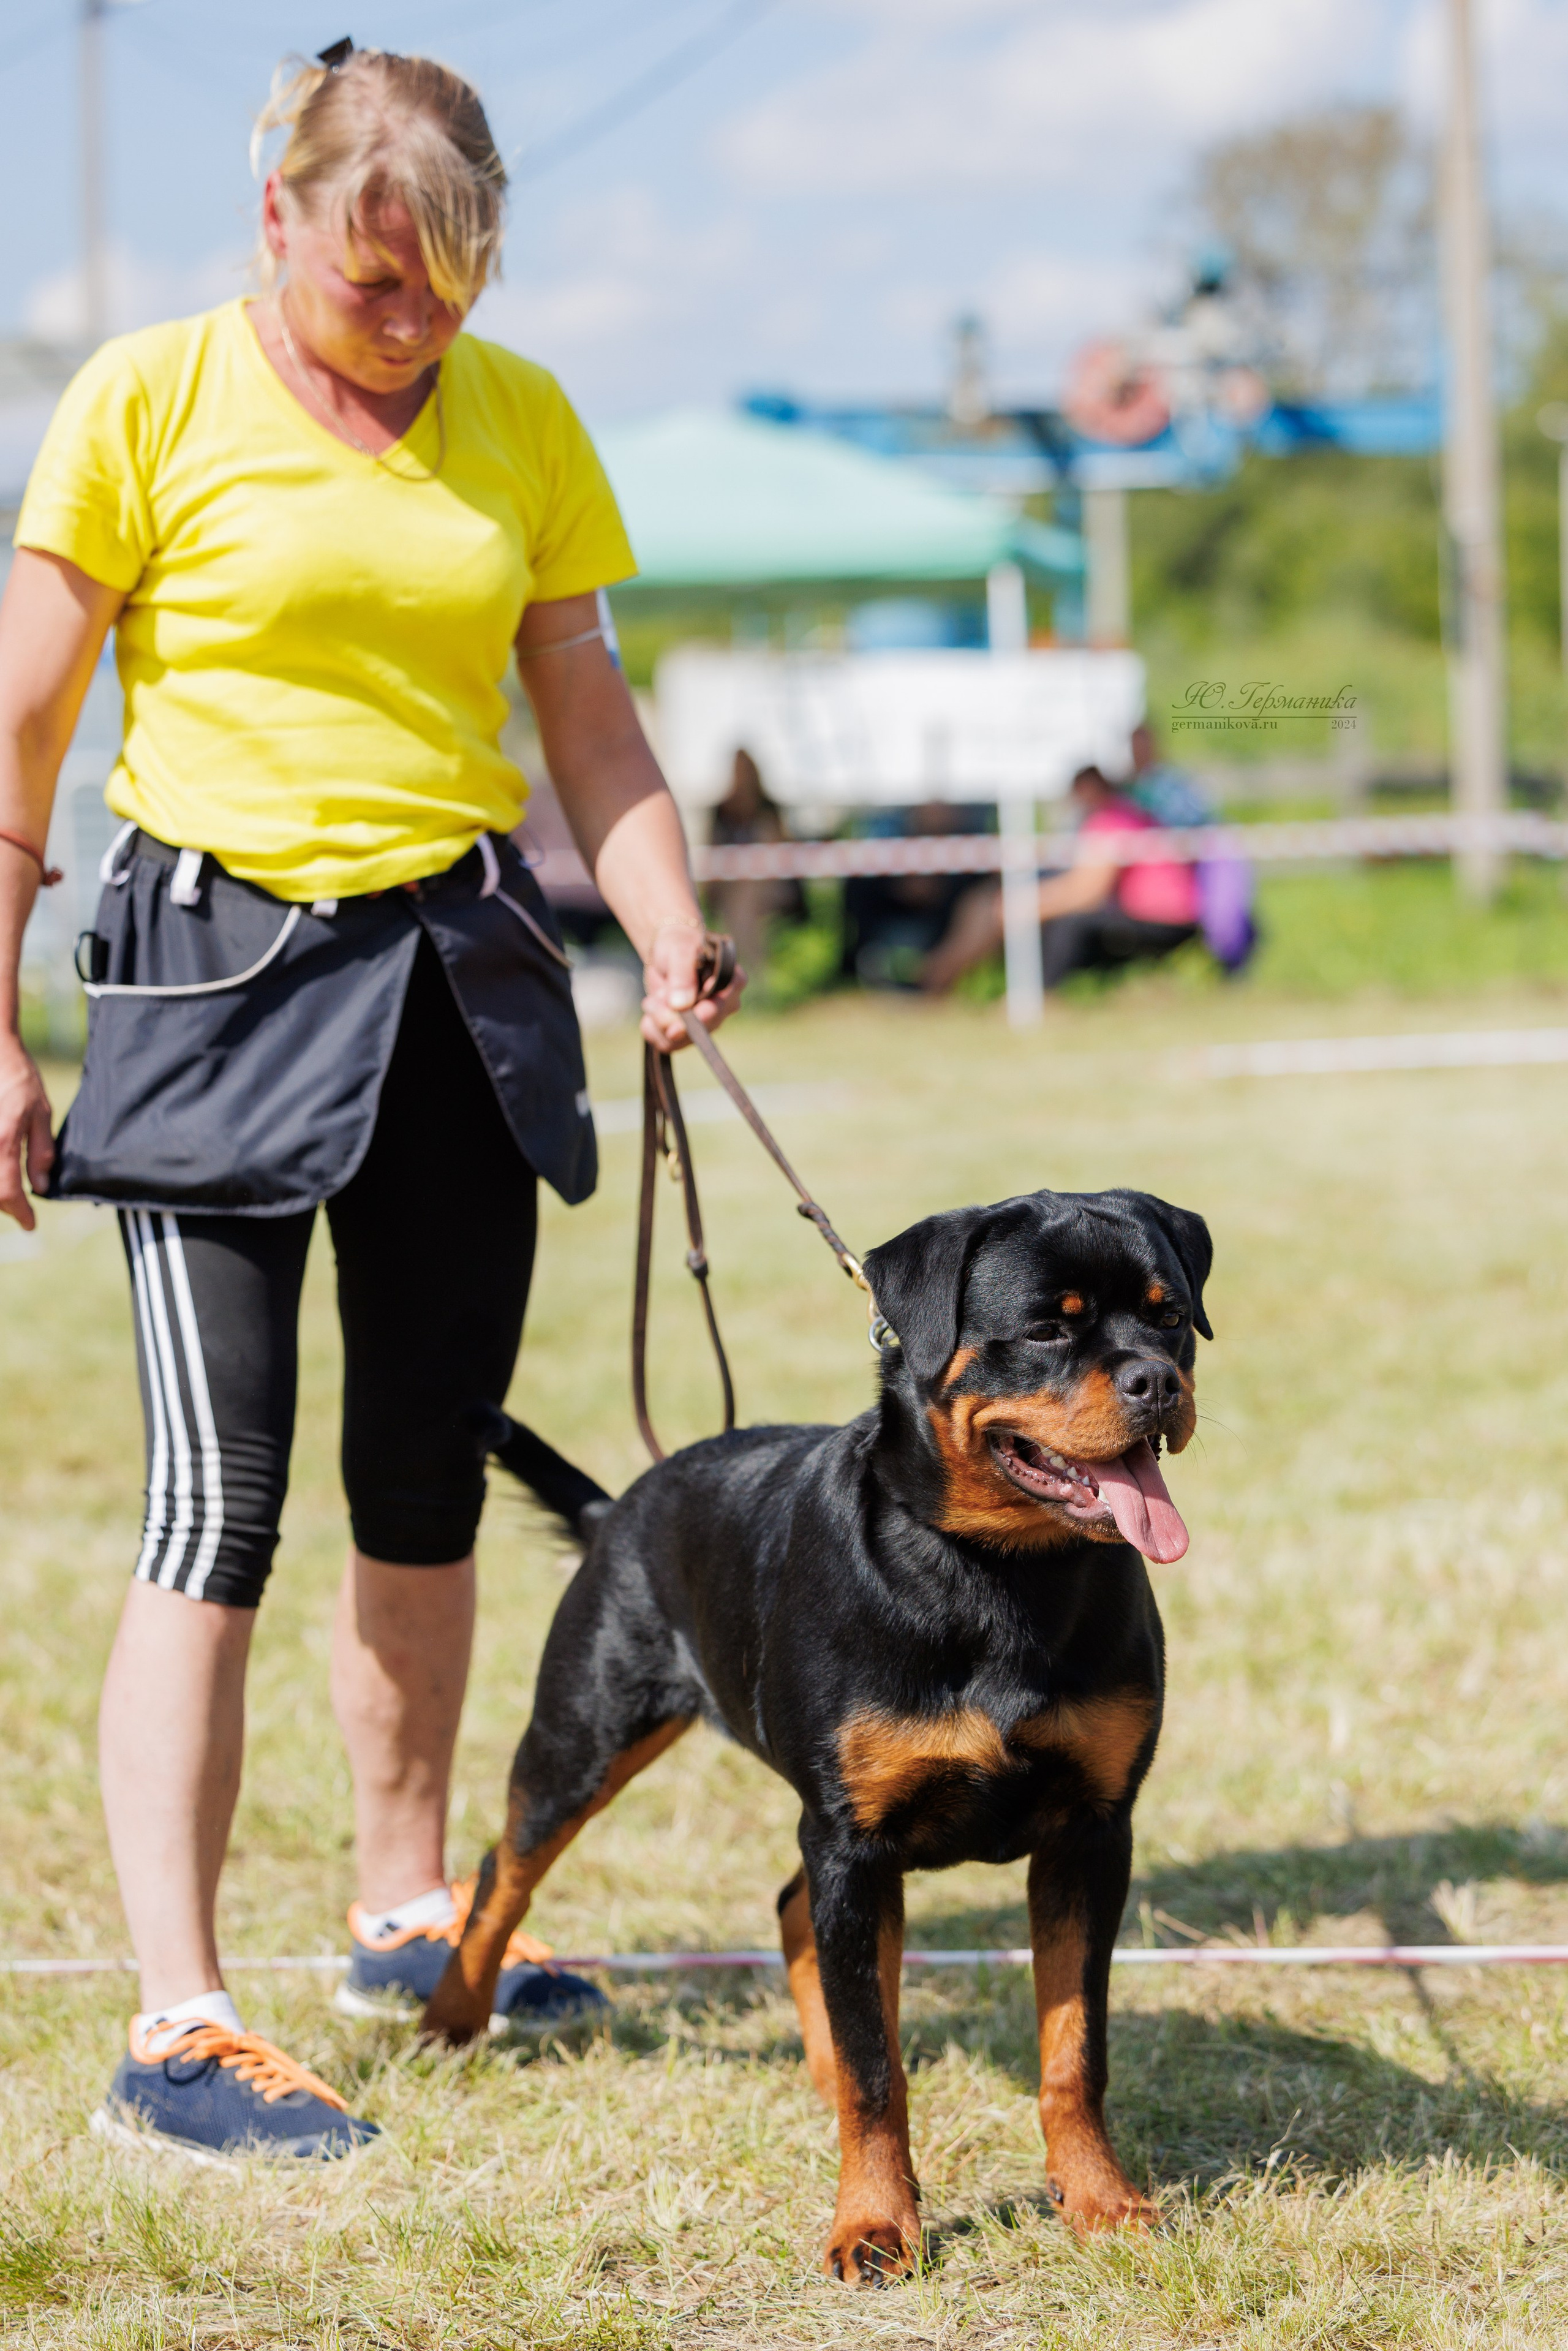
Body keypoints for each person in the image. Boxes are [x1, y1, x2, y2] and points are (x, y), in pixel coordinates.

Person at [0, 43, 741, 2164]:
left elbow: (582, 706)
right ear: (276, 220)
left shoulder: (522, 416)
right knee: (209, 1504)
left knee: (424, 1480)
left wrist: (666, 914)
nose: (412, 327)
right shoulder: (143, 397)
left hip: (455, 987)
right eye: (371, 281)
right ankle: (177, 2017)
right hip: (210, 986)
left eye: (449, 287)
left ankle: (408, 1914)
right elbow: (22, 733)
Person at [921, 764, 1199, 994]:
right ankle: (942, 977)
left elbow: (1087, 892)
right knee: (1002, 906)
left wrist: (1025, 904)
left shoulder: (1112, 820)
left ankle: (1030, 997)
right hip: (1155, 913)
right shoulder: (1125, 815)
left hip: (1162, 920)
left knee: (1061, 922)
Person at [705, 747, 806, 983]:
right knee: (742, 901)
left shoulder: (768, 809)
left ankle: (748, 970)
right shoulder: (721, 811)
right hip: (733, 889)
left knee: (746, 899)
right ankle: (754, 971)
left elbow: (780, 852)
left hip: (770, 886)